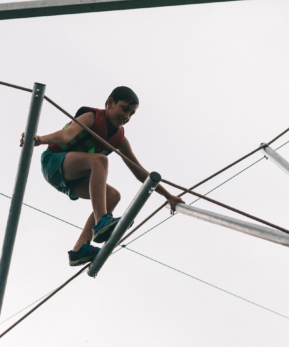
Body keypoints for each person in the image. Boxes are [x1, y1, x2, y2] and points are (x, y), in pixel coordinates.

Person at [25, 86, 183, 266]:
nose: (127, 117)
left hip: (72, 181)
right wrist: (39, 139)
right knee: (100, 161)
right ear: (109, 103)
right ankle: (102, 222)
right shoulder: (91, 117)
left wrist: (168, 196)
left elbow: (139, 172)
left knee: (113, 196)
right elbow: (67, 135)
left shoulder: (120, 140)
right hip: (53, 163)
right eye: (124, 109)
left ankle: (80, 248)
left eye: (131, 114)